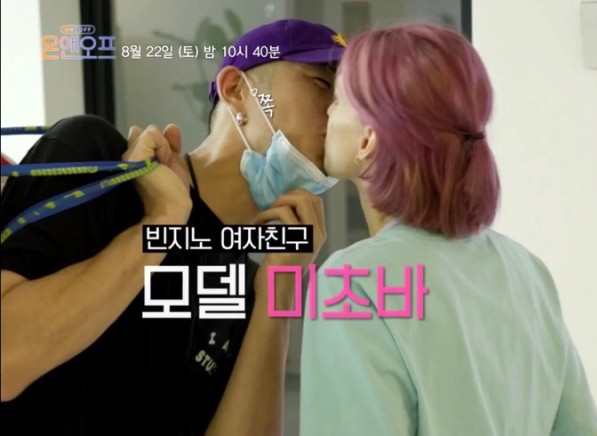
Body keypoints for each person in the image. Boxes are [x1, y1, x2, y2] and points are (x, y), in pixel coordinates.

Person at [0, 19, 344, 435]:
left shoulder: (252, 285)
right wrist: (161, 222)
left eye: (346, 99)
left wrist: (280, 291)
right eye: (322, 84)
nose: (337, 111)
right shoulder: (97, 163)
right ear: (237, 90)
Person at [299, 23, 597, 436]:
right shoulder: (527, 271)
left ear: (367, 139)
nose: (326, 113)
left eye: (336, 100)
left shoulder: (352, 283)